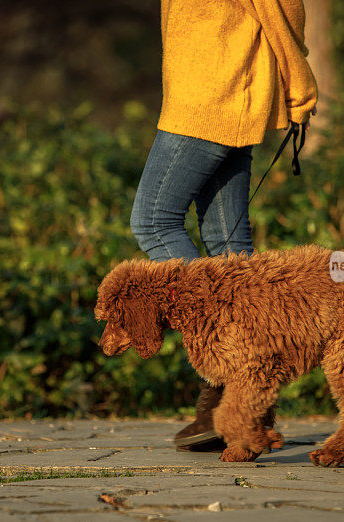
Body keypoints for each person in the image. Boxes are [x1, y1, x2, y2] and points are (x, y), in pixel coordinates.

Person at [129, 0, 318, 450]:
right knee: (229, 245)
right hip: (223, 97)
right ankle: (237, 405)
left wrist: (299, 88)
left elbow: (283, 7)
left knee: (154, 222)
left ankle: (232, 372)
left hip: (210, 101)